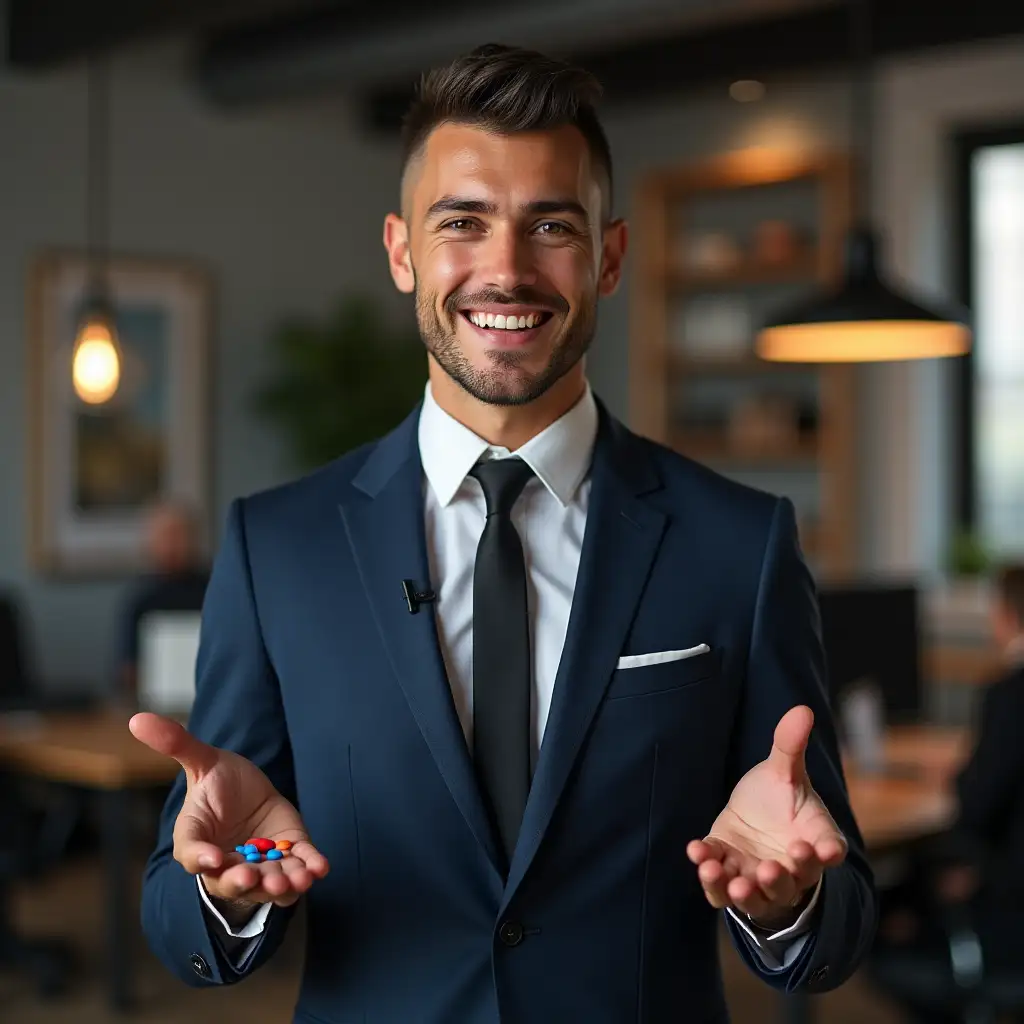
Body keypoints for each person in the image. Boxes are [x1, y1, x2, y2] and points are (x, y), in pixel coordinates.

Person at [131, 44, 876, 1022]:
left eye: (550, 224)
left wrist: (794, 901)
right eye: (463, 222)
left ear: (609, 255)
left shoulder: (741, 543)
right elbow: (183, 907)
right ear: (402, 251)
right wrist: (226, 888)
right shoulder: (278, 549)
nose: (506, 268)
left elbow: (839, 920)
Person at [870, 563, 1024, 1021]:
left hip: (1005, 912)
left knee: (875, 917)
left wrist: (960, 779)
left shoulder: (1011, 694)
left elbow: (976, 808)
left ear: (1004, 615)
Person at [116, 499, 209, 705]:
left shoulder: (219, 591)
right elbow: (126, 670)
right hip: (153, 707)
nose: (170, 545)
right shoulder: (140, 600)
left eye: (177, 535)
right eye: (163, 536)